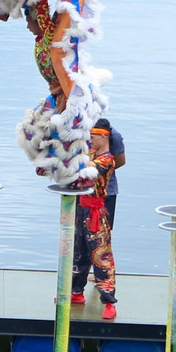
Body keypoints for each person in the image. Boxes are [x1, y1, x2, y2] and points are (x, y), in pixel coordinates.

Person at [71, 118, 117, 320]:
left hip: (96, 213)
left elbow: (88, 167)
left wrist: (73, 158)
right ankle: (76, 292)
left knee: (101, 255)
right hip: (81, 209)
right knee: (79, 253)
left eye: (92, 136)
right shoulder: (90, 153)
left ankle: (108, 302)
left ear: (103, 136)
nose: (89, 139)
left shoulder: (107, 159)